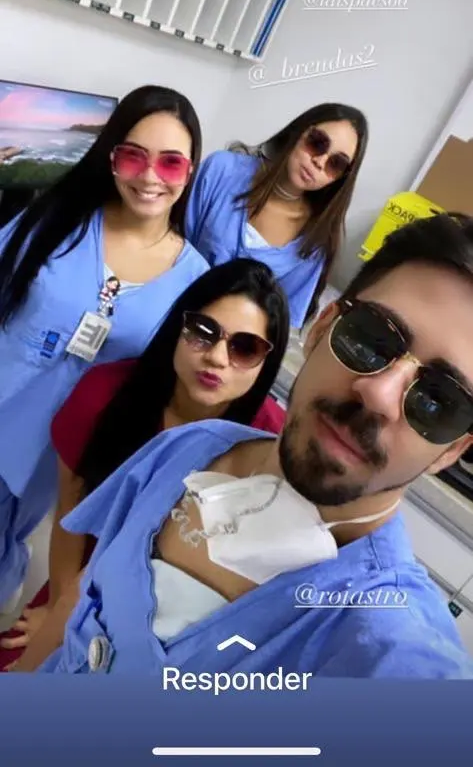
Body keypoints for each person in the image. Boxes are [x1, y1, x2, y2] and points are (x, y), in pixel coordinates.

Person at [13, 211, 473, 678]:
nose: (378, 394)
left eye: (439, 401)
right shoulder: (185, 449)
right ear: (320, 328)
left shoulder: (391, 643)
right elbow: (82, 595)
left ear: (453, 451)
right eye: (373, 340)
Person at [0, 259, 289, 669]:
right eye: (203, 331)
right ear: (178, 327)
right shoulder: (104, 395)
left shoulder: (269, 445)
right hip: (86, 583)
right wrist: (62, 609)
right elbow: (71, 514)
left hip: (181, 627)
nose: (217, 358)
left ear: (266, 363)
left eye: (245, 348)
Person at [0, 84, 208, 615]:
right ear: (111, 156)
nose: (150, 176)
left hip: (59, 459)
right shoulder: (55, 220)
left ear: (189, 172)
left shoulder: (195, 282)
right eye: (134, 156)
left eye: (171, 162)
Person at [185, 103, 368, 329]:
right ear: (299, 132)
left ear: (342, 177)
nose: (320, 162)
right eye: (318, 143)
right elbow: (171, 239)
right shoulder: (222, 170)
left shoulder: (315, 241)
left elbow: (280, 323)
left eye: (336, 163)